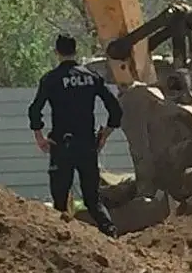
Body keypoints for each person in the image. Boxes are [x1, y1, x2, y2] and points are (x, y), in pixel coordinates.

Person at [28, 34, 123, 238]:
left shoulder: (51, 79)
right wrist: (105, 134)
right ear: (75, 51)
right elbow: (115, 108)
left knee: (60, 202)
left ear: (57, 52)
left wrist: (40, 137)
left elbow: (35, 110)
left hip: (62, 145)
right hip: (88, 145)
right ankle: (112, 235)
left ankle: (62, 243)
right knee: (93, 200)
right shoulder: (91, 77)